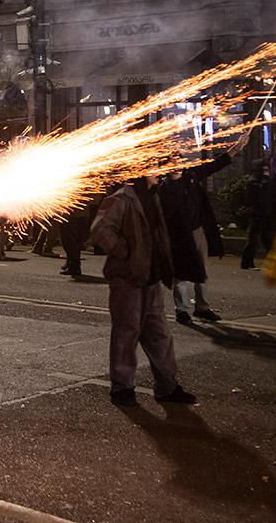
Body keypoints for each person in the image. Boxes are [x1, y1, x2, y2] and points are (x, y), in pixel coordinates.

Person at [89, 171, 196, 407]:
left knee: (159, 335)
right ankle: (122, 387)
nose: (162, 172)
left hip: (151, 277)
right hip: (128, 278)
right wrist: (125, 253)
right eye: (157, 167)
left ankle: (167, 386)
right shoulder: (122, 198)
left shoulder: (154, 196)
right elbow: (100, 230)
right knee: (126, 333)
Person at [159, 133, 248, 324]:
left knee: (201, 270)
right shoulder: (163, 188)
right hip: (178, 236)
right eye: (173, 161)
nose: (178, 164)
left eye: (179, 159)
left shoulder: (191, 175)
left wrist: (237, 147)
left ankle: (202, 307)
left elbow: (215, 165)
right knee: (181, 273)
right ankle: (181, 310)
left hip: (197, 230)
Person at [241, 159, 276, 270]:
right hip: (257, 213)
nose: (266, 170)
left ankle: (271, 262)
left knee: (266, 238)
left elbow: (270, 196)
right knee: (254, 238)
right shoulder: (254, 181)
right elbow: (253, 198)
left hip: (265, 213)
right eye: (264, 168)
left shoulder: (266, 180)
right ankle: (247, 262)